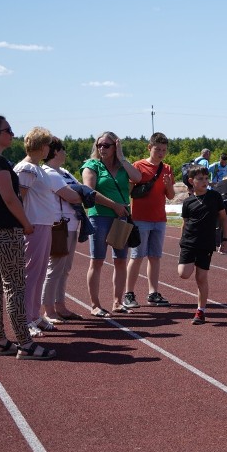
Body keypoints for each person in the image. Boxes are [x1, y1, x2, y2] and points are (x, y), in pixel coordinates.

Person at [0, 115, 56, 359]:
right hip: (4, 230)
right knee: (15, 287)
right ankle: (25, 343)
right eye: (7, 130)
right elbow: (10, 198)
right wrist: (26, 223)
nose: (12, 134)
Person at [14, 127, 82, 337]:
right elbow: (19, 198)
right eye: (47, 146)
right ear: (41, 146)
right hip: (32, 226)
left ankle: (34, 315)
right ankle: (25, 320)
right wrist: (24, 224)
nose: (49, 150)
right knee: (31, 275)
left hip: (43, 225)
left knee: (39, 273)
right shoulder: (26, 168)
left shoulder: (37, 169)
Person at [82, 132, 140, 317]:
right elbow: (89, 192)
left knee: (120, 261)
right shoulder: (92, 166)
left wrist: (122, 158)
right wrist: (114, 206)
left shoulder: (123, 166)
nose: (102, 148)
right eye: (99, 145)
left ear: (115, 146)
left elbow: (137, 178)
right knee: (97, 261)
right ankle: (95, 304)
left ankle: (117, 301)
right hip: (99, 216)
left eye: (107, 145)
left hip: (120, 218)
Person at [41, 137, 94, 321]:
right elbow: (75, 196)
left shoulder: (63, 171)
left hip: (71, 225)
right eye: (63, 149)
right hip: (58, 226)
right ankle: (48, 310)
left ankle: (60, 306)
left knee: (65, 268)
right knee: (55, 268)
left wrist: (80, 192)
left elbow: (81, 189)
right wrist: (80, 193)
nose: (65, 152)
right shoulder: (49, 173)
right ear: (55, 151)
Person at [123, 132, 175, 309]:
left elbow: (171, 195)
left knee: (155, 257)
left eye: (164, 150)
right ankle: (129, 293)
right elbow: (128, 191)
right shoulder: (138, 166)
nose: (161, 153)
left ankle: (153, 292)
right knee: (137, 256)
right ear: (149, 148)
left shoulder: (167, 168)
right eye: (157, 149)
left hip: (159, 219)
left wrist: (168, 185)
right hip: (140, 219)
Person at [178, 166, 227, 325]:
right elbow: (185, 223)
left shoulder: (214, 196)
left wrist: (225, 239)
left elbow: (223, 218)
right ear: (191, 181)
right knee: (183, 273)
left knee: (201, 277)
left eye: (206, 178)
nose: (204, 181)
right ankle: (191, 261)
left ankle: (201, 311)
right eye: (200, 179)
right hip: (188, 243)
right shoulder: (188, 202)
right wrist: (181, 241)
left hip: (206, 243)